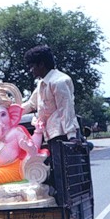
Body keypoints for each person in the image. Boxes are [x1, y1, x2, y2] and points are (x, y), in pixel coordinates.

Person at [21, 45, 80, 180]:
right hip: (51, 135)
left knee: (67, 174)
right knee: (56, 171)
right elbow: (31, 104)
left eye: (32, 66)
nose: (31, 70)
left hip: (63, 134)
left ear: (41, 64)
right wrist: (10, 112)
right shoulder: (41, 83)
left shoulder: (59, 81)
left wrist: (72, 136)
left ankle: (65, 201)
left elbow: (66, 109)